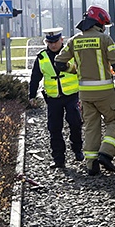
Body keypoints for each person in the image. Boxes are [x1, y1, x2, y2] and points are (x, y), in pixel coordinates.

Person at [54, 5, 115, 176]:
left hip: (85, 94)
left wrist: (76, 69)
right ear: (100, 23)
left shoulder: (74, 41)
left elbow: (59, 63)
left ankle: (91, 165)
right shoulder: (104, 39)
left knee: (91, 127)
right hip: (105, 92)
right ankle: (106, 153)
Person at [28, 29, 83, 169]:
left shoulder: (71, 54)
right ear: (46, 42)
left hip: (72, 96)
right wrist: (32, 96)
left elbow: (81, 72)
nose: (53, 45)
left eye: (55, 42)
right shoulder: (41, 58)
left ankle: (77, 150)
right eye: (50, 42)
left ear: (62, 40)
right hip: (53, 99)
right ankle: (58, 159)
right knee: (54, 128)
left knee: (75, 123)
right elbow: (35, 78)